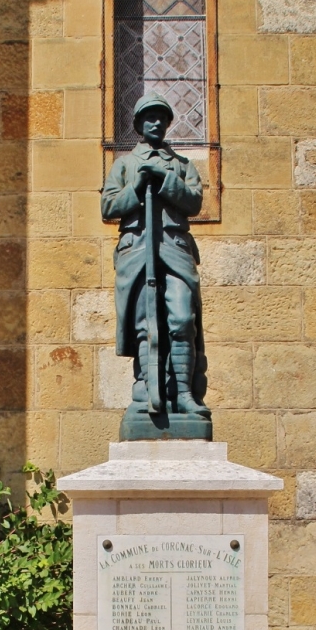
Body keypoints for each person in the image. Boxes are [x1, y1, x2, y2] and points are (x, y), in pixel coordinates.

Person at [101, 94, 210, 425]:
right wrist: (136, 186)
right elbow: (108, 208)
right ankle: (147, 390)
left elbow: (193, 202)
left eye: (161, 118)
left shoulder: (181, 166)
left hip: (174, 249)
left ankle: (184, 396)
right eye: (148, 118)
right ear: (137, 124)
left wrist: (164, 181)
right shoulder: (124, 165)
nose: (155, 123)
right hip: (137, 252)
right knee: (145, 325)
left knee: (181, 318)